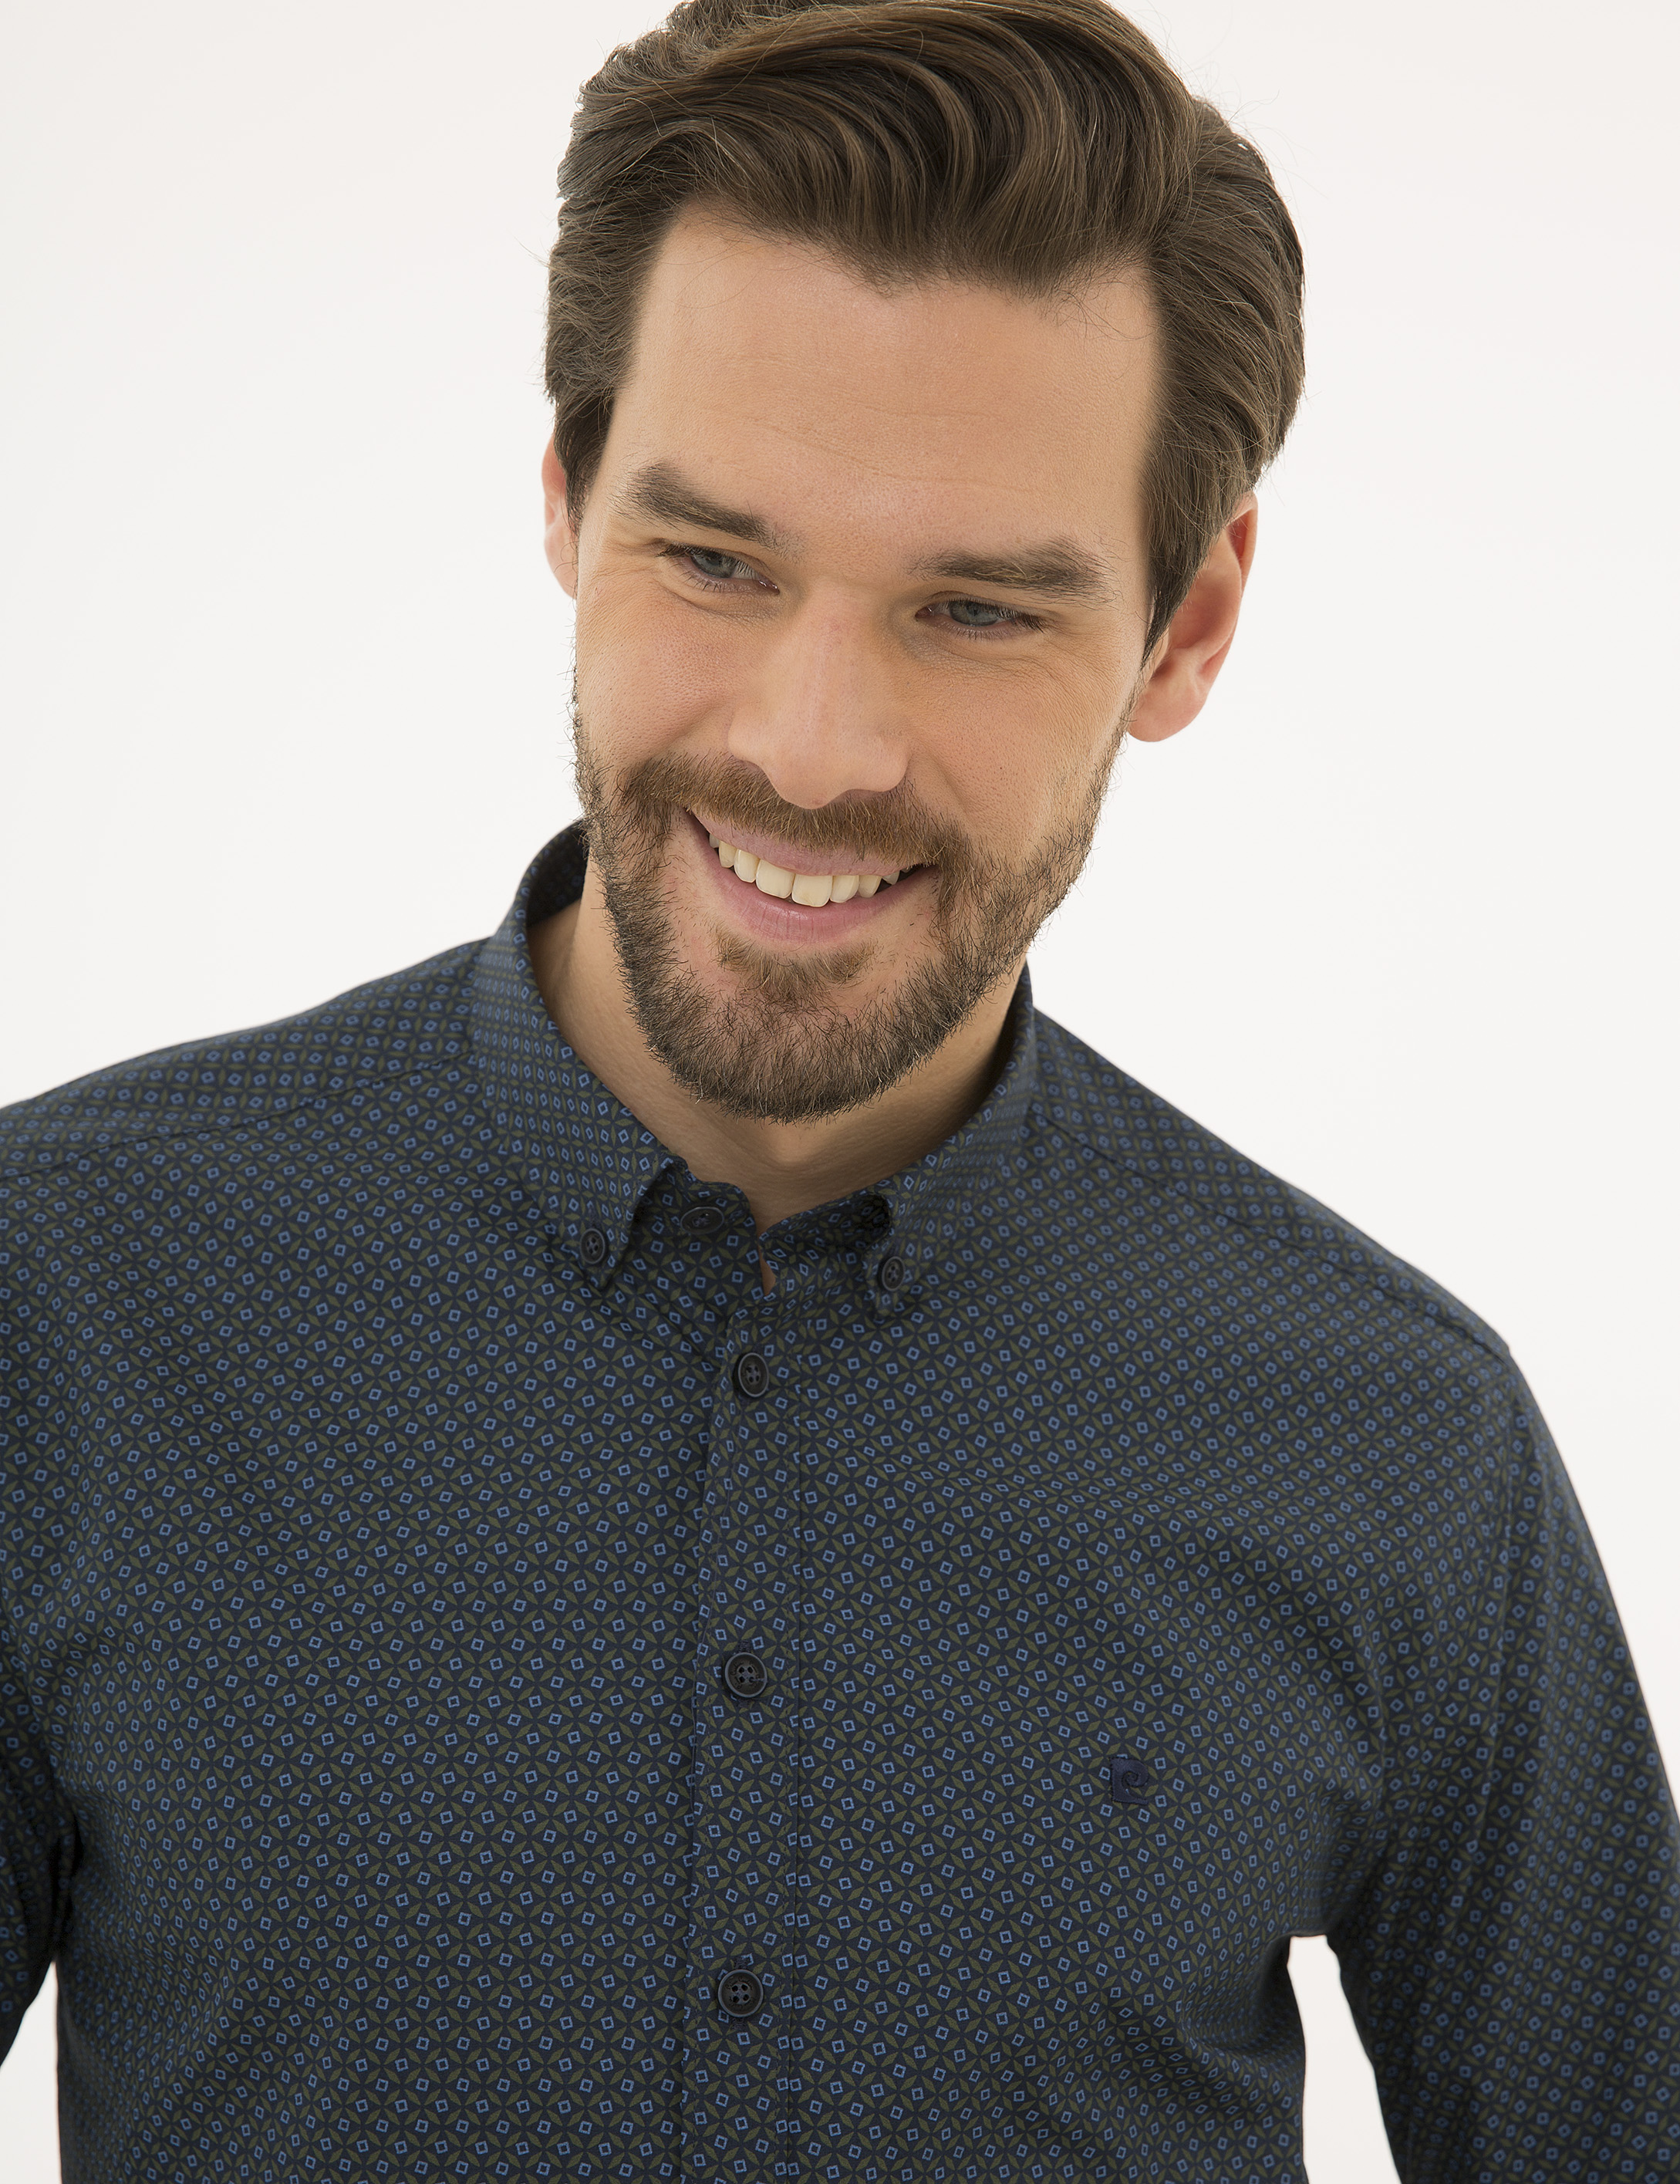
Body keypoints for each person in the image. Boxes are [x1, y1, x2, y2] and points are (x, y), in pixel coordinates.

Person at [1, 0, 1674, 2178]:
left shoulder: (1399, 1440)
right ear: (566, 496)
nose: (808, 748)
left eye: (975, 610)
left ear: (1185, 627)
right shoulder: (57, 1300)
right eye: (715, 561)